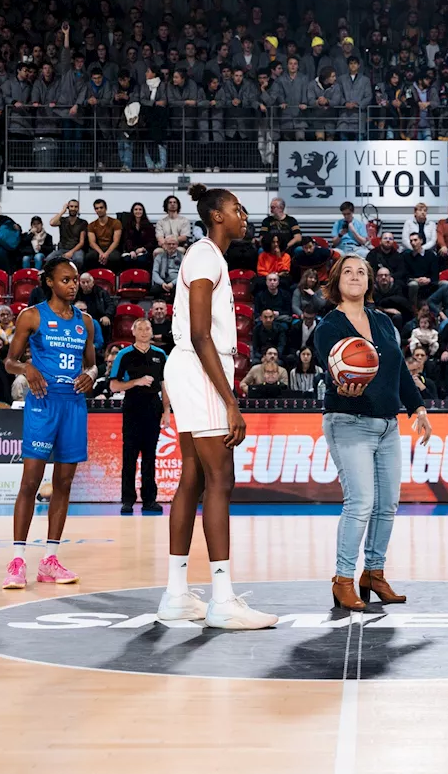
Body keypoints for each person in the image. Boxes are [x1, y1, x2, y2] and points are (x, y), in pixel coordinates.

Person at [159, 184, 276, 630]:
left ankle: (175, 594)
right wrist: (231, 402)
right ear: (217, 216)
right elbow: (201, 334)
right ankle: (222, 598)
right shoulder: (206, 255)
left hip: (190, 368)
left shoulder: (206, 255)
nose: (244, 214)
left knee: (192, 477)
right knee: (220, 479)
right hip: (200, 368)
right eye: (237, 207)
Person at [315, 253, 432, 610]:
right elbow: (333, 374)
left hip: (388, 426)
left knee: (387, 504)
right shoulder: (328, 327)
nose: (355, 276)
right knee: (361, 502)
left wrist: (418, 408)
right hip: (348, 422)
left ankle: (374, 574)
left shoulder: (384, 322)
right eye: (347, 271)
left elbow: (398, 371)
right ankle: (343, 579)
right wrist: (341, 387)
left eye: (361, 271)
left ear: (369, 282)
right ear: (336, 282)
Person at [1, 256, 97, 590]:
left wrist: (90, 377)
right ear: (50, 283)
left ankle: (50, 560)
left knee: (64, 483)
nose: (73, 285)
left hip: (73, 405)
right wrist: (27, 369)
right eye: (66, 280)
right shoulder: (31, 316)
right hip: (43, 404)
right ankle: (17, 561)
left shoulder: (86, 321)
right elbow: (9, 361)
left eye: (76, 280)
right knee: (30, 481)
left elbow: (93, 367)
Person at [110, 319, 172, 515]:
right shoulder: (124, 355)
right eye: (141, 329)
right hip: (133, 407)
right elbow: (114, 385)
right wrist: (137, 382)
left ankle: (149, 500)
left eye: (148, 328)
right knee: (129, 456)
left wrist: (167, 411)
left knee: (150, 457)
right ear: (133, 331)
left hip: (153, 407)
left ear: (152, 331)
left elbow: (166, 385)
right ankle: (127, 500)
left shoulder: (160, 355)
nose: (145, 332)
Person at [85, 198, 123, 270]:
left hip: (111, 248)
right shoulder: (91, 225)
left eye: (101, 207)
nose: (99, 210)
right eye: (97, 208)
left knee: (115, 258)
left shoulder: (116, 222)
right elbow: (92, 243)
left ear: (106, 208)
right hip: (98, 248)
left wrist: (106, 254)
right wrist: (101, 253)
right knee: (89, 257)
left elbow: (116, 242)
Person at [49, 199, 87, 269]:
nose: (73, 208)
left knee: (78, 260)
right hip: (62, 249)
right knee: (49, 259)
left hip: (76, 249)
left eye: (76, 207)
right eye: (71, 206)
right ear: (68, 207)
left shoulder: (83, 222)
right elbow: (52, 223)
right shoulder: (62, 220)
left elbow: (81, 242)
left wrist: (71, 252)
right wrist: (62, 211)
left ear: (78, 208)